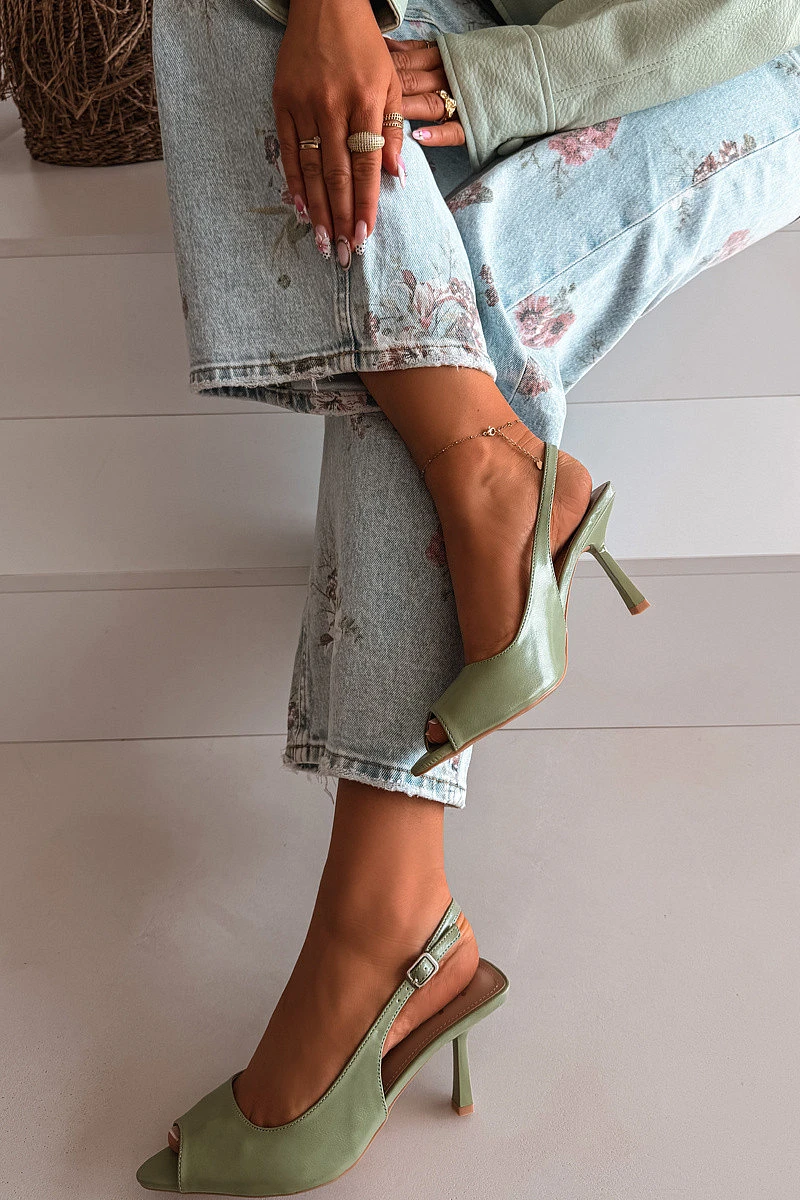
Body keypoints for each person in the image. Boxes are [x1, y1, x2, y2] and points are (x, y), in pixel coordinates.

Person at [136, 0, 800, 1192]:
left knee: (458, 285)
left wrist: (511, 78)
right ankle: (489, 468)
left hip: (727, 44)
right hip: (478, 21)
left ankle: (381, 912)